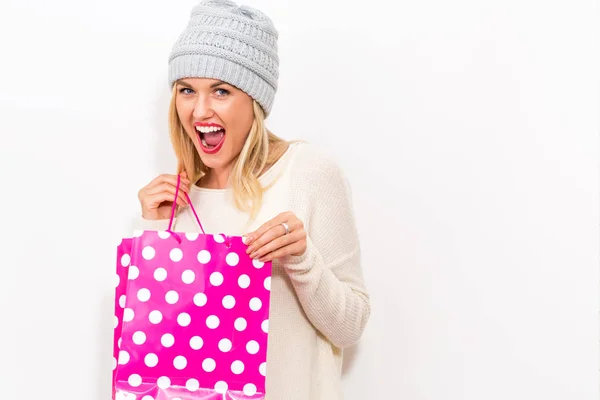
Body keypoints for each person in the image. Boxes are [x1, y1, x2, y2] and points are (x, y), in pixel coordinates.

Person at [135, 0, 370, 398]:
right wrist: (159, 231)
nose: (200, 110)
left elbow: (350, 327)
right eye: (187, 90)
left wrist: (302, 258)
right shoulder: (179, 200)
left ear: (255, 101)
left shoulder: (308, 171)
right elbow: (168, 343)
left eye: (221, 91)